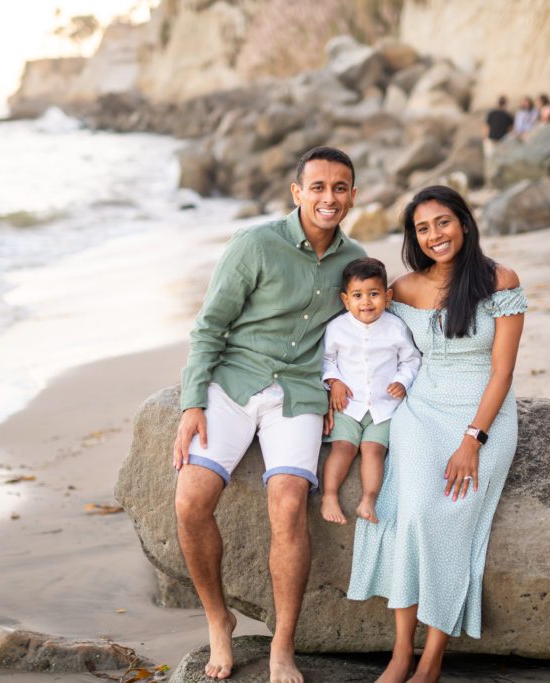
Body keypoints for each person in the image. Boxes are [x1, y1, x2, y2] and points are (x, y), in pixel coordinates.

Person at [172, 146, 366, 683]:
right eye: (318, 187)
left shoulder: (355, 259)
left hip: (298, 394)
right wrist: (192, 402)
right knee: (190, 501)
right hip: (234, 383)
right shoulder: (254, 244)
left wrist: (340, 381)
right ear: (297, 192)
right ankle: (219, 619)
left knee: (288, 504)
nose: (329, 197)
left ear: (353, 195)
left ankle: (282, 645)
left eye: (340, 187)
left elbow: (362, 329)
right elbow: (210, 325)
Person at [348, 185, 527, 683]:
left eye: (442, 222)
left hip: (482, 414)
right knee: (411, 513)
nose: (434, 235)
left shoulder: (500, 281)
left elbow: (503, 372)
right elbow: (368, 342)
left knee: (445, 519)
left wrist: (472, 441)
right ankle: (400, 653)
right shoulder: (403, 289)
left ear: (464, 223)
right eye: (422, 228)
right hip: (420, 409)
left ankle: (431, 661)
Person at [320, 257, 421, 526]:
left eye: (374, 294)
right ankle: (329, 495)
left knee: (373, 450)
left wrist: (402, 380)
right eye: (357, 295)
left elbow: (411, 360)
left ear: (387, 297)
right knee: (342, 448)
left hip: (384, 408)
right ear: (345, 300)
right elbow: (326, 360)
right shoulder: (337, 328)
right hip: (348, 406)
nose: (366, 302)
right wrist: (334, 381)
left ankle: (368, 500)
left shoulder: (396, 327)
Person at [482, 95, 514, 188]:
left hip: (493, 140)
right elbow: (511, 130)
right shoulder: (507, 115)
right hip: (500, 141)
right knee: (496, 162)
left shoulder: (493, 113)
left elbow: (486, 126)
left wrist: (485, 138)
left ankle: (491, 183)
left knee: (490, 162)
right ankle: (495, 183)